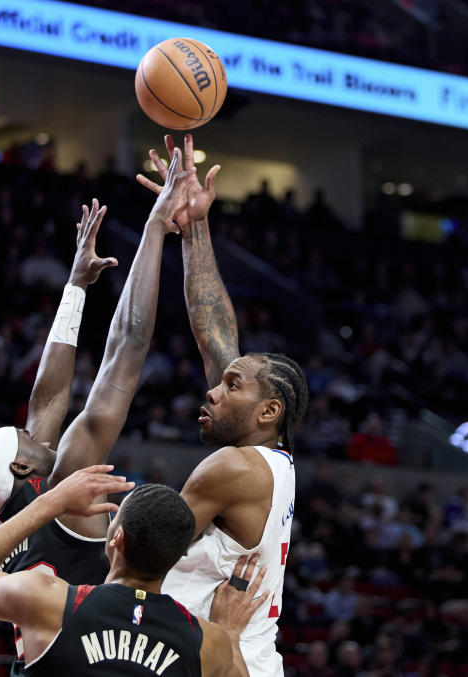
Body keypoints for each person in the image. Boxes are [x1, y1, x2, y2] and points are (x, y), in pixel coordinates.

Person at [0, 167, 189, 669]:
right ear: (24, 470)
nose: (30, 428)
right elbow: (127, 351)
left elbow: (46, 398)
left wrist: (75, 286)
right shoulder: (63, 488)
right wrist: (153, 229)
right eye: (23, 438)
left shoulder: (10, 516)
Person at [138, 134, 309, 677]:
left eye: (232, 386)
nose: (212, 388)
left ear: (269, 412)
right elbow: (213, 329)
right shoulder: (266, 461)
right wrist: (194, 224)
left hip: (223, 665)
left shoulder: (233, 467)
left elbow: (138, 557)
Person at [0, 466, 268, 675]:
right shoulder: (207, 643)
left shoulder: (51, 602)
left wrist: (50, 502)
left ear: (117, 537)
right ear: (178, 555)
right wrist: (231, 635)